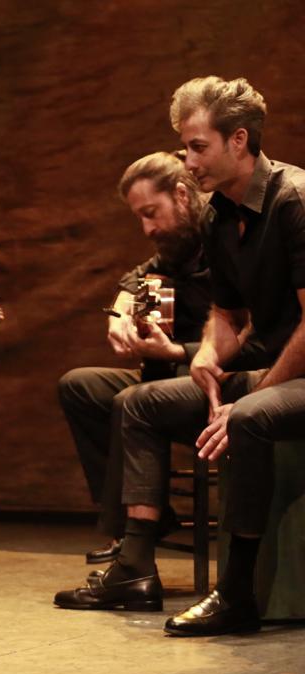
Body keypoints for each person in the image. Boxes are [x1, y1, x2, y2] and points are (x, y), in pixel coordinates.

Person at [54, 77, 304, 637]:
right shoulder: (219, 215)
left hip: (294, 375)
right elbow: (228, 313)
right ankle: (135, 566)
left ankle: (235, 594)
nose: (186, 161)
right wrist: (208, 354)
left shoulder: (294, 201)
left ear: (239, 140)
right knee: (139, 404)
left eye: (197, 147)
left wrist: (254, 393)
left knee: (251, 417)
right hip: (263, 371)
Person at [57, 152, 223, 566]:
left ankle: (132, 542)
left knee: (128, 402)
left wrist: (179, 352)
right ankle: (143, 514)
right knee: (80, 386)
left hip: (217, 383)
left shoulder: (226, 239)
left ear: (182, 196)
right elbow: (141, 275)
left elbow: (254, 331)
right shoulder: (177, 246)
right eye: (140, 217)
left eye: (152, 213)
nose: (147, 228)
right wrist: (121, 307)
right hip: (167, 378)